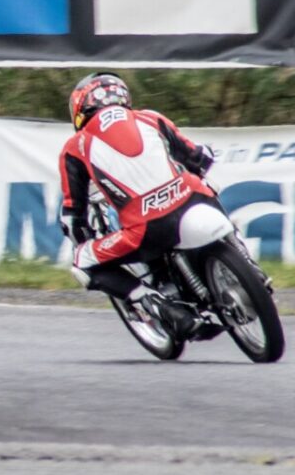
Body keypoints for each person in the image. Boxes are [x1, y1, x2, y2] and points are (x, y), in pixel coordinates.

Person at [56, 73, 220, 330]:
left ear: (80, 108)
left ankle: (162, 308)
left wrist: (82, 239)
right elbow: (199, 158)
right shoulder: (150, 117)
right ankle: (248, 263)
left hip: (146, 228)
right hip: (195, 199)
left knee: (82, 262)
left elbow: (72, 216)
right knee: (208, 186)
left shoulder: (75, 146)